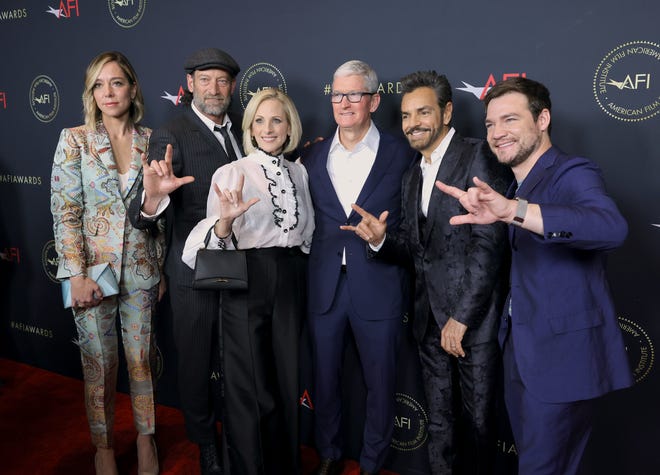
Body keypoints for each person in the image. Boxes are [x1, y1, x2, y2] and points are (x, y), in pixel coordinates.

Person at [436, 77, 633, 475]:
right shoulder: (514, 183)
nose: (497, 133)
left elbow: (611, 227)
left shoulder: (572, 171)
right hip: (523, 354)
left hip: (563, 361)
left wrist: (514, 212)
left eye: (510, 119)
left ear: (543, 119)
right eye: (490, 124)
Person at [342, 71, 512, 474]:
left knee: (479, 426)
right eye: (405, 115)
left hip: (473, 323)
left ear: (447, 111)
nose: (412, 123)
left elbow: (489, 246)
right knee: (439, 424)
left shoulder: (478, 155)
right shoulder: (412, 174)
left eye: (423, 112)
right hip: (427, 322)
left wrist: (461, 318)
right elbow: (420, 251)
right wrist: (382, 240)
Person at [180, 87, 314, 475]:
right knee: (248, 388)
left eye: (276, 120)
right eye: (259, 120)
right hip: (246, 280)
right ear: (249, 128)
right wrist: (224, 222)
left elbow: (306, 234)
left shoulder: (300, 172)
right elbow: (208, 245)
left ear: (290, 127)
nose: (268, 128)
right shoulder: (233, 172)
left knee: (287, 381)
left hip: (290, 280)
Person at [128, 47, 242, 475]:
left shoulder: (243, 132)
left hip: (238, 269)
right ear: (190, 84)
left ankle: (235, 436)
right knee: (195, 364)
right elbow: (139, 215)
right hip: (191, 273)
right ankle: (204, 443)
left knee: (235, 361)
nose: (215, 88)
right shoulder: (170, 132)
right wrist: (154, 198)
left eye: (223, 80)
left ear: (232, 86)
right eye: (205, 79)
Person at [302, 60, 417, 475]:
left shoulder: (401, 154)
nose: (344, 103)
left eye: (354, 94)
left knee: (381, 385)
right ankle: (330, 454)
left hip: (379, 282)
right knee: (325, 380)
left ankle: (372, 463)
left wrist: (382, 240)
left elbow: (417, 233)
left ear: (374, 100)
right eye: (337, 94)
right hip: (324, 286)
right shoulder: (311, 154)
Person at [50, 51, 162, 475]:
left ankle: (146, 438)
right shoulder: (74, 139)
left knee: (141, 358)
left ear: (132, 88)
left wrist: (161, 267)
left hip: (142, 270)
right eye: (99, 84)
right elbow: (65, 212)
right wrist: (76, 275)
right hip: (91, 275)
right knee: (99, 364)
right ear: (91, 93)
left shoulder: (152, 139)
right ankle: (104, 448)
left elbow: (160, 213)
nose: (108, 92)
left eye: (116, 82)